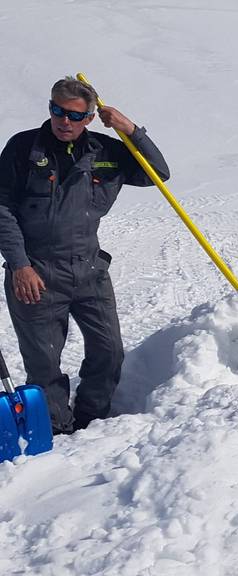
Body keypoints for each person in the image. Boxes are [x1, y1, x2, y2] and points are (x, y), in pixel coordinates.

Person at [0, 76, 170, 434]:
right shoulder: (23, 149)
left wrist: (130, 129)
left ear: (90, 118)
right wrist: (19, 265)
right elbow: (3, 209)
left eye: (75, 115)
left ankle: (92, 422)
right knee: (44, 365)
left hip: (89, 270)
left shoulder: (106, 151)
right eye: (58, 111)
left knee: (109, 352)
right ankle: (56, 431)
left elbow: (158, 173)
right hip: (36, 273)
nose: (64, 121)